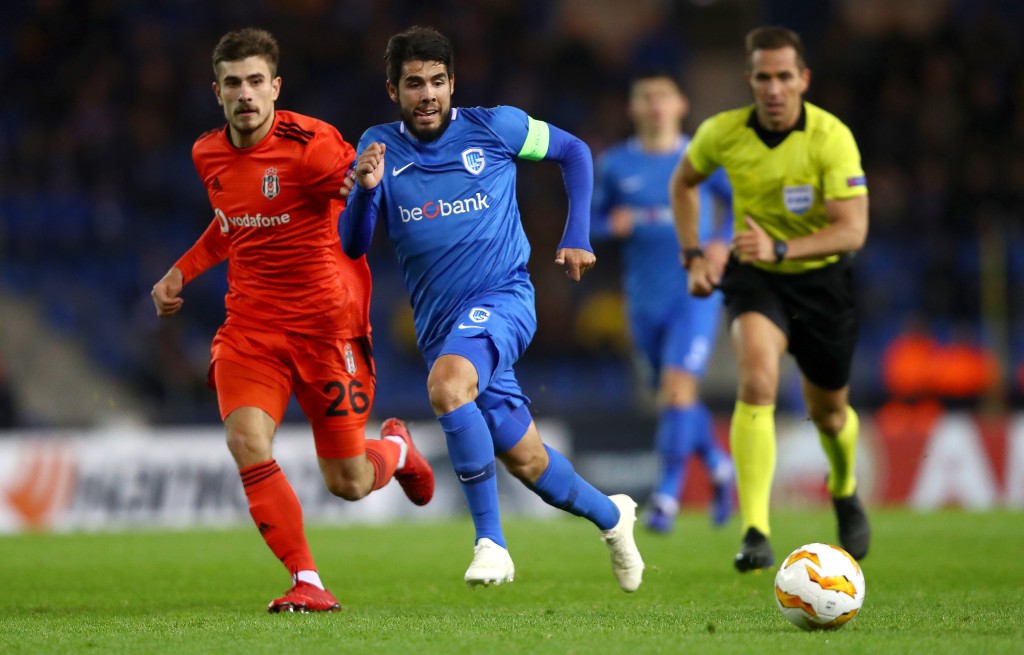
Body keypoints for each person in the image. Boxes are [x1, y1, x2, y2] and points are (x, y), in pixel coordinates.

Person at [339, 26, 644, 592]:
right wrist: (363, 190)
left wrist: (577, 234)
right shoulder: (377, 147)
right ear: (393, 90)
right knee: (528, 462)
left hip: (504, 299)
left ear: (452, 83)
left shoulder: (495, 127)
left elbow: (574, 151)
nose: (426, 94)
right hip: (443, 327)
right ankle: (612, 517)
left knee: (447, 387)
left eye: (436, 81)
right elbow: (354, 244)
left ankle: (492, 544)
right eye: (413, 84)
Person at [150, 28, 435, 613]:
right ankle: (307, 579)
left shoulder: (313, 145)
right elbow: (236, 219)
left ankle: (398, 451)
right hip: (251, 329)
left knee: (349, 482)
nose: (246, 94)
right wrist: (182, 271)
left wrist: (365, 183)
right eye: (234, 83)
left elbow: (359, 198)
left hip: (328, 329)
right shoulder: (207, 153)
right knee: (246, 440)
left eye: (256, 81)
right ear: (217, 91)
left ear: (275, 86)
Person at [670, 26, 871, 571]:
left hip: (823, 280)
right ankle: (755, 529)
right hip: (755, 274)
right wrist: (693, 255)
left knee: (828, 413)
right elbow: (684, 182)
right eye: (764, 77)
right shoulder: (723, 132)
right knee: (757, 378)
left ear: (803, 79)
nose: (775, 88)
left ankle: (845, 489)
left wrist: (782, 245)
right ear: (750, 80)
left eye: (785, 76)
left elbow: (852, 231)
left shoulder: (831, 137)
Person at [592, 71, 735, 534]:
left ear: (680, 105)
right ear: (633, 109)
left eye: (663, 97)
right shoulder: (615, 165)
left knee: (677, 390)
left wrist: (720, 243)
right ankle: (718, 463)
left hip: (694, 294)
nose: (655, 105)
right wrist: (607, 226)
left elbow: (740, 207)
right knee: (674, 397)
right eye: (646, 97)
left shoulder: (701, 159)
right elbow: (587, 223)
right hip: (643, 302)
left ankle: (667, 497)